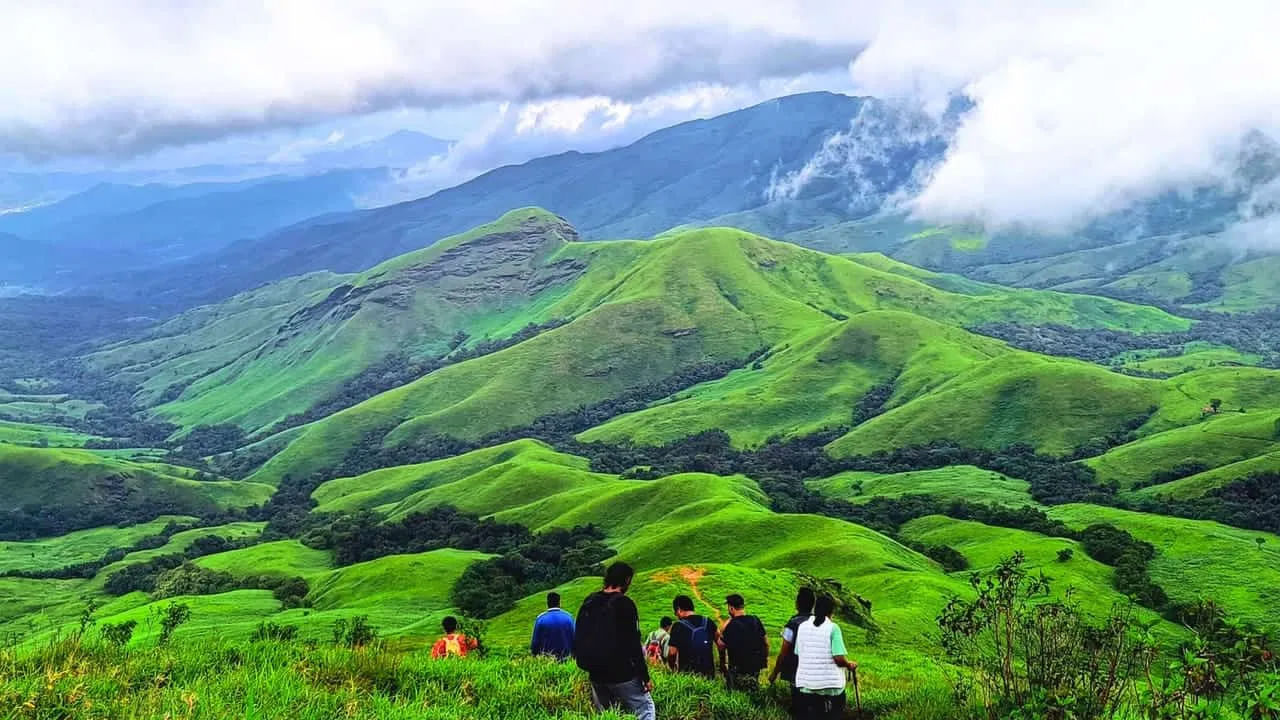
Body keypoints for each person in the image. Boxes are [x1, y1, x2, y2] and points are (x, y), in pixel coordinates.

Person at [574, 562, 655, 720]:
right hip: (622, 673)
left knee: (606, 715)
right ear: (626, 580)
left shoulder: (590, 600)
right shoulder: (625, 604)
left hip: (595, 673)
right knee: (645, 708)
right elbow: (633, 644)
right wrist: (644, 676)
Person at [793, 594, 856, 720]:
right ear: (831, 611)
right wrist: (849, 664)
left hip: (807, 685)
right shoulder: (833, 628)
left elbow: (799, 652)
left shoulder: (802, 627)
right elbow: (839, 659)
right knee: (836, 713)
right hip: (831, 685)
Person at [768, 587, 816, 716]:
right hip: (817, 674)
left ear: (797, 604)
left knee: (799, 707)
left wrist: (774, 673)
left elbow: (784, 652)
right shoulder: (821, 622)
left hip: (796, 673)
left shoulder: (792, 624)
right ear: (813, 605)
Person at [718, 593, 769, 691]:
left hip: (737, 668)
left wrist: (722, 663)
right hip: (755, 666)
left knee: (734, 692)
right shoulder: (755, 620)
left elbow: (721, 645)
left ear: (731, 608)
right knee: (752, 690)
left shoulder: (731, 625)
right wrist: (764, 658)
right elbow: (766, 643)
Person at [667, 594, 717, 677]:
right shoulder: (708, 621)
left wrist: (672, 668)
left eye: (676, 613)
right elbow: (720, 644)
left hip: (687, 676)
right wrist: (722, 663)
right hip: (709, 674)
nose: (677, 616)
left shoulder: (677, 626)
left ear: (679, 610)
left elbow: (672, 653)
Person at [531, 591, 575, 661]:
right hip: (567, 661)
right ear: (559, 603)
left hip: (548, 661)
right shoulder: (569, 617)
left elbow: (535, 643)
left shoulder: (540, 619)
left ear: (547, 603)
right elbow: (575, 639)